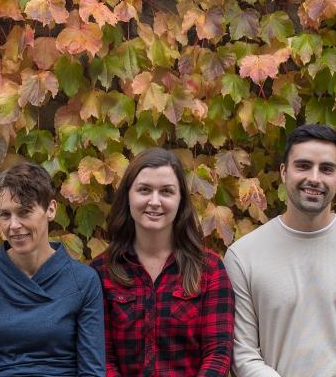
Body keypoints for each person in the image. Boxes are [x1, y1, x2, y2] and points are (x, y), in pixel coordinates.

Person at [224, 124, 336, 377]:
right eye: (303, 165)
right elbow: (243, 355)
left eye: (326, 169)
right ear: (284, 172)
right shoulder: (243, 256)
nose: (314, 178)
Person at [90, 148, 233, 376]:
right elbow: (102, 357)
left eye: (166, 191)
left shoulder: (209, 270)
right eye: (144, 190)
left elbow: (218, 354)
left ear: (180, 200)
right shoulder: (101, 272)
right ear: (128, 195)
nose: (154, 202)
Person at [0, 162, 104, 376]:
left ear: (51, 209)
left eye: (24, 212)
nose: (13, 225)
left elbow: (92, 371)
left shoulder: (83, 280)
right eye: (5, 215)